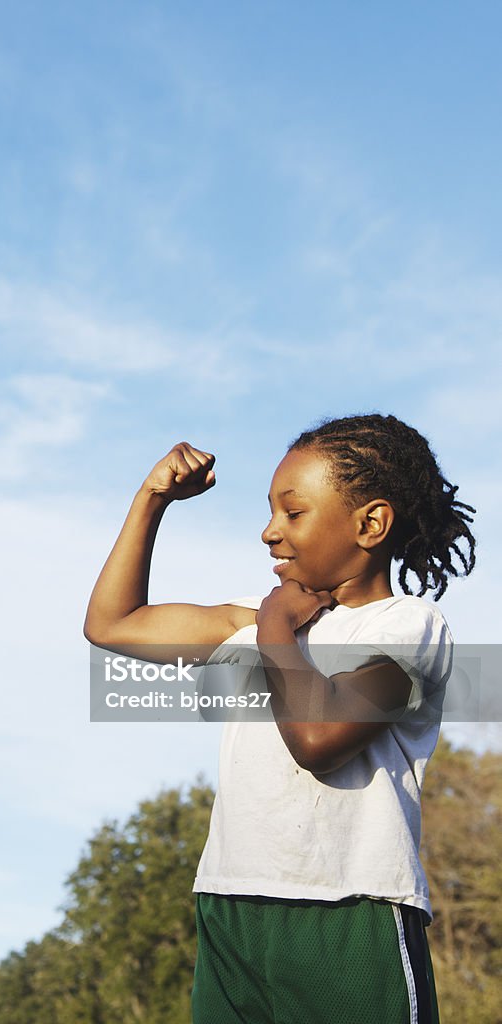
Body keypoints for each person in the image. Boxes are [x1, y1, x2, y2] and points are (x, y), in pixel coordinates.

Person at [84, 413, 476, 1024]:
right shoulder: (253, 624)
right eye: (271, 513)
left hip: (348, 910)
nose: (270, 532)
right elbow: (112, 624)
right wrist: (152, 499)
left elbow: (318, 739)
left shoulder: (405, 628)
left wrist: (273, 628)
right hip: (231, 903)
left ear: (370, 524)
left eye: (293, 513)